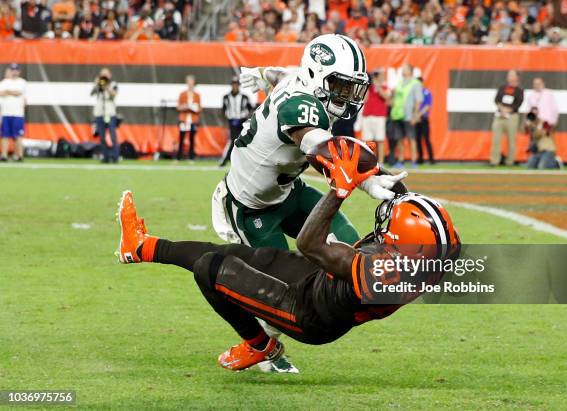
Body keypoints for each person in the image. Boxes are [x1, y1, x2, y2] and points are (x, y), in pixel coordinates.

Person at [116, 140, 459, 371]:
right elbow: (408, 206)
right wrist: (372, 170)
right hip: (320, 284)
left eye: (391, 229)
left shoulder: (381, 275)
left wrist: (340, 190)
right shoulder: (432, 250)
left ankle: (259, 344)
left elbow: (310, 244)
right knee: (230, 253)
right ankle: (141, 246)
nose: (383, 224)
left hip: (308, 313)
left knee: (210, 268)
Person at [213, 35, 407, 373]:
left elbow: (281, 75)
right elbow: (320, 148)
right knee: (276, 288)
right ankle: (259, 346)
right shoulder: (300, 106)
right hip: (250, 207)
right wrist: (368, 179)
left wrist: (261, 74)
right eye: (341, 86)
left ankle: (342, 304)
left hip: (288, 190)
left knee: (346, 242)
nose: (347, 95)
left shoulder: (301, 81)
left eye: (351, 87)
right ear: (318, 75)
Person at [388, 64, 422, 168]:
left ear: (410, 71)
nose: (402, 70)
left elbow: (418, 100)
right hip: (397, 115)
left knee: (411, 138)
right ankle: (401, 160)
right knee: (399, 139)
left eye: (405, 69)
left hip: (409, 115)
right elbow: (394, 98)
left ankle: (413, 161)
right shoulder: (400, 83)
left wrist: (415, 115)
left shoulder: (415, 83)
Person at [490, 70, 523, 166]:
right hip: (500, 116)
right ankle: (494, 160)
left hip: (512, 116)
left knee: (511, 140)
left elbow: (518, 103)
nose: (510, 77)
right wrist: (502, 109)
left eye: (512, 75)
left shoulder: (519, 90)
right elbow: (497, 100)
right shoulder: (502, 88)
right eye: (509, 75)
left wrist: (508, 110)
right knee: (496, 139)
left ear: (517, 77)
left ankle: (510, 161)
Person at [219, 77, 252, 167]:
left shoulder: (244, 97)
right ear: (231, 85)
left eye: (237, 84)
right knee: (231, 140)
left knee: (243, 141)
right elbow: (223, 110)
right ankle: (224, 160)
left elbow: (249, 109)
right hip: (232, 121)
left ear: (239, 85)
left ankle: (244, 161)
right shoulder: (226, 97)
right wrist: (224, 122)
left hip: (242, 121)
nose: (235, 86)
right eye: (234, 84)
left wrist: (248, 120)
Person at [361, 69, 390, 163]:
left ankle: (380, 161)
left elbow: (386, 97)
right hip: (367, 116)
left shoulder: (384, 86)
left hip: (379, 116)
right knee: (367, 140)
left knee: (380, 139)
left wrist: (378, 86)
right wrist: (368, 86)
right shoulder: (368, 87)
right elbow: (364, 99)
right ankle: (369, 161)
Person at [91, 67, 119, 163]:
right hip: (100, 113)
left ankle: (115, 157)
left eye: (106, 74)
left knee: (112, 136)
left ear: (110, 75)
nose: (104, 76)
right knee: (102, 136)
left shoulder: (113, 84)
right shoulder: (99, 85)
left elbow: (113, 94)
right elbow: (92, 93)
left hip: (110, 113)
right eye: (102, 74)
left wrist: (106, 85)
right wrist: (97, 84)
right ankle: (105, 157)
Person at [0, 64, 27, 162]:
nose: (14, 72)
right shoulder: (4, 82)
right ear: (9, 70)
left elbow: (19, 93)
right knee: (4, 135)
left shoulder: (22, 82)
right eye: (12, 70)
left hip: (17, 114)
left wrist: (7, 92)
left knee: (18, 136)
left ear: (19, 71)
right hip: (6, 113)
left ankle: (19, 155)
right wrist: (10, 92)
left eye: (16, 70)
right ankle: (4, 155)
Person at [176, 75, 201, 162]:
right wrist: (186, 106)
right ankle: (178, 157)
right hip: (184, 119)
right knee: (182, 138)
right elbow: (178, 107)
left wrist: (195, 108)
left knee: (192, 139)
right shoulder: (182, 94)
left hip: (193, 119)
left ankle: (191, 157)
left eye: (192, 82)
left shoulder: (197, 95)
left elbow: (200, 108)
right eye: (189, 82)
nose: (190, 84)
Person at [416, 76, 434, 165]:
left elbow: (427, 107)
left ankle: (431, 159)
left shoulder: (426, 93)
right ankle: (420, 158)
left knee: (426, 138)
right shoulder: (414, 94)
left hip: (423, 119)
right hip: (417, 119)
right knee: (417, 139)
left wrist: (418, 115)